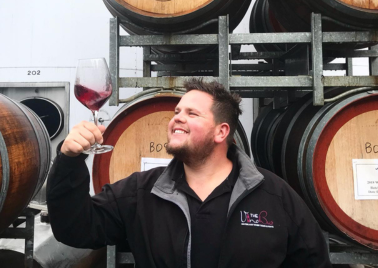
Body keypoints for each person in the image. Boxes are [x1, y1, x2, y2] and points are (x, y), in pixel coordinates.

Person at [47, 78, 332, 267]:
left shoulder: (272, 194)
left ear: (222, 132)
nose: (177, 118)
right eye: (177, 111)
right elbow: (75, 228)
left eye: (192, 114)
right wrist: (69, 161)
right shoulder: (142, 192)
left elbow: (313, 260)